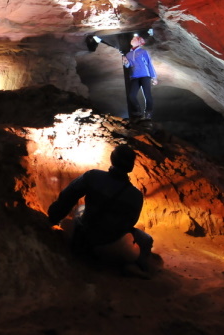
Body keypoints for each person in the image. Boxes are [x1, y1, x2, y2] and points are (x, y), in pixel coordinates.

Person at [47, 143, 154, 274]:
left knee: (82, 208)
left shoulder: (93, 176)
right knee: (146, 239)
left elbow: (68, 196)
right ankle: (139, 266)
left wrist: (53, 218)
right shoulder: (136, 195)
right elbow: (131, 222)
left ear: (112, 159)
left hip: (87, 239)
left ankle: (86, 250)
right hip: (115, 246)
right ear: (131, 166)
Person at [123, 34, 157, 120]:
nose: (132, 39)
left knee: (147, 95)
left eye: (135, 38)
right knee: (131, 95)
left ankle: (148, 113)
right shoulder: (128, 54)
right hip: (134, 76)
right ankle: (138, 112)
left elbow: (149, 63)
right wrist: (126, 62)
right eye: (132, 38)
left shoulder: (143, 51)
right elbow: (128, 66)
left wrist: (154, 77)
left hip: (145, 75)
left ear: (139, 42)